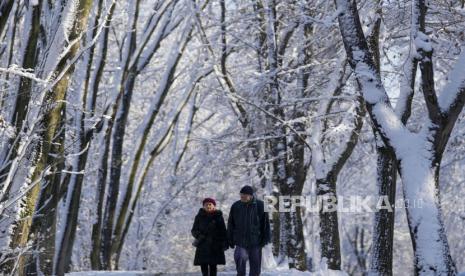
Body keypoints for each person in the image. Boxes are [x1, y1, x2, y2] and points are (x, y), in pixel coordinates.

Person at [227, 185, 271, 276]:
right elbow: (231, 224)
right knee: (240, 258)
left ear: (250, 196)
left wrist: (265, 239)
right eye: (241, 195)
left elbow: (266, 224)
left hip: (256, 241)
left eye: (244, 195)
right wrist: (229, 238)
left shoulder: (260, 205)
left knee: (255, 265)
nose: (242, 197)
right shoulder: (236, 206)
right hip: (240, 240)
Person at [191, 197, 228, 276]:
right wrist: (200, 236)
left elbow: (223, 231)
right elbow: (193, 230)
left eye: (210, 204)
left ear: (214, 206)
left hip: (215, 245)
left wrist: (224, 242)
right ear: (203, 206)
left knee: (213, 267)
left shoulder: (218, 216)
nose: (208, 206)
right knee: (203, 266)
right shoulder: (199, 216)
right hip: (202, 245)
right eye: (206, 204)